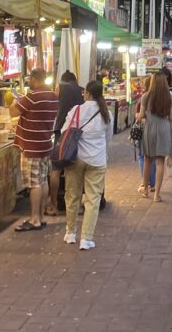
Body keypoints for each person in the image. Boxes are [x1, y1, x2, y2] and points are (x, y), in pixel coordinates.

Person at [61, 79, 112, 250]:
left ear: (87, 93)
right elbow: (108, 138)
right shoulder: (106, 114)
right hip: (97, 160)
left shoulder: (76, 110)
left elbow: (64, 132)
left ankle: (70, 233)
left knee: (72, 196)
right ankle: (87, 238)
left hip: (75, 158)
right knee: (93, 199)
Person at [10, 67, 58, 231]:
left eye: (30, 79)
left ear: (35, 79)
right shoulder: (53, 96)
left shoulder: (32, 97)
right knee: (43, 180)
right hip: (45, 144)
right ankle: (41, 216)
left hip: (32, 147)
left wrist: (14, 100)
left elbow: (12, 113)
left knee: (34, 184)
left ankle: (34, 219)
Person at [48, 71, 84, 217]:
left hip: (61, 132)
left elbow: (52, 105)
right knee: (76, 170)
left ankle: (53, 205)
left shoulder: (60, 87)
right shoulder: (82, 90)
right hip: (76, 134)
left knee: (55, 169)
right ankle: (78, 206)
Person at [138, 71, 172, 201]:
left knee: (148, 160)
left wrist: (141, 118)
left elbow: (141, 115)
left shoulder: (146, 96)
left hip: (150, 128)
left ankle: (145, 189)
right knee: (160, 162)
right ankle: (157, 194)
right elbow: (171, 117)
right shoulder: (169, 97)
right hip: (164, 129)